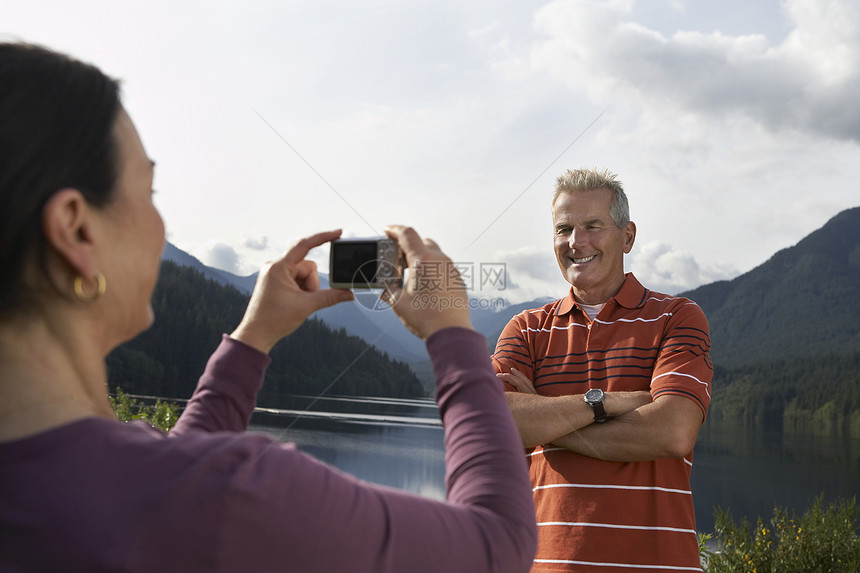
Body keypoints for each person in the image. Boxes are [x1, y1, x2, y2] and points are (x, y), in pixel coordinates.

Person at [0, 42, 537, 572]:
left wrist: (253, 337)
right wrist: (452, 333)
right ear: (76, 228)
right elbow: (500, 542)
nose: (159, 223)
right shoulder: (234, 499)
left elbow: (165, 479)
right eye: (149, 190)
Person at [493, 168, 712, 572]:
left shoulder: (677, 318)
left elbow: (672, 431)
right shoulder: (526, 329)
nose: (577, 242)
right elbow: (489, 420)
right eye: (564, 229)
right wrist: (604, 403)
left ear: (627, 236)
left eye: (593, 225)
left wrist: (543, 413)